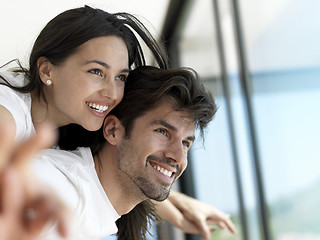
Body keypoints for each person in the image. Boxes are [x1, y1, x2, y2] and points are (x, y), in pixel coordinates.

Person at [0, 5, 235, 239]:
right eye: (96, 72)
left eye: (121, 77)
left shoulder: (68, 128)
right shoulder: (7, 113)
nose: (112, 92)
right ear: (46, 70)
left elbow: (120, 173)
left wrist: (173, 197)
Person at [32, 66, 235, 240]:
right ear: (113, 131)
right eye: (163, 132)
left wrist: (181, 203)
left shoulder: (96, 203)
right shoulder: (55, 188)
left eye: (185, 143)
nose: (179, 157)